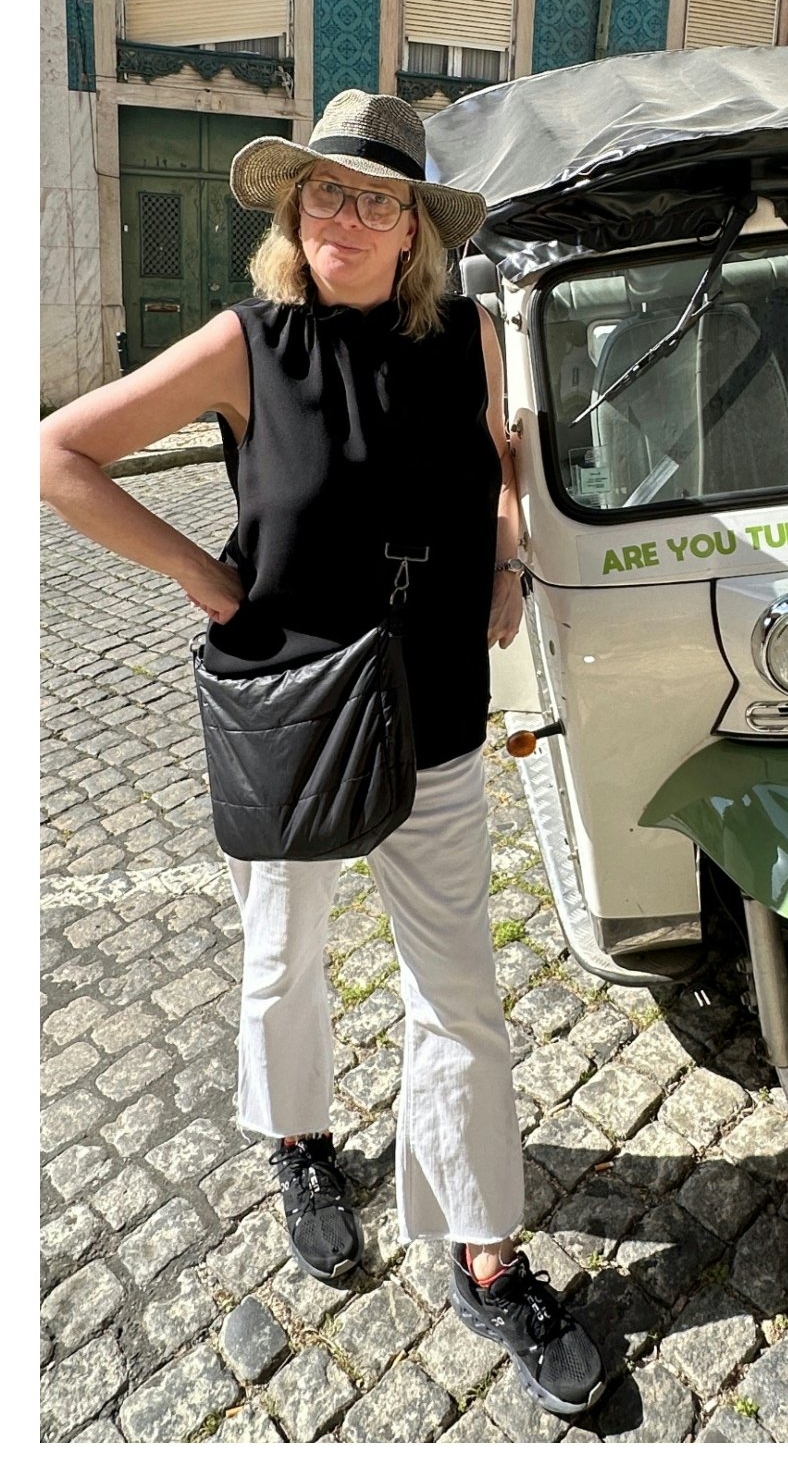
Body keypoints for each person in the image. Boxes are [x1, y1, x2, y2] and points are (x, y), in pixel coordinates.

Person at [38, 92, 608, 1419]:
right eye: (329, 195)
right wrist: (205, 577)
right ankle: (300, 1143)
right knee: (286, 950)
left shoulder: (469, 335)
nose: (352, 216)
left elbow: (499, 462)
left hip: (440, 706)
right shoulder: (252, 343)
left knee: (457, 992)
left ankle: (483, 1251)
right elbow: (59, 456)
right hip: (290, 704)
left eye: (381, 198)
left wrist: (509, 550)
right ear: (297, 217)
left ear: (417, 228)